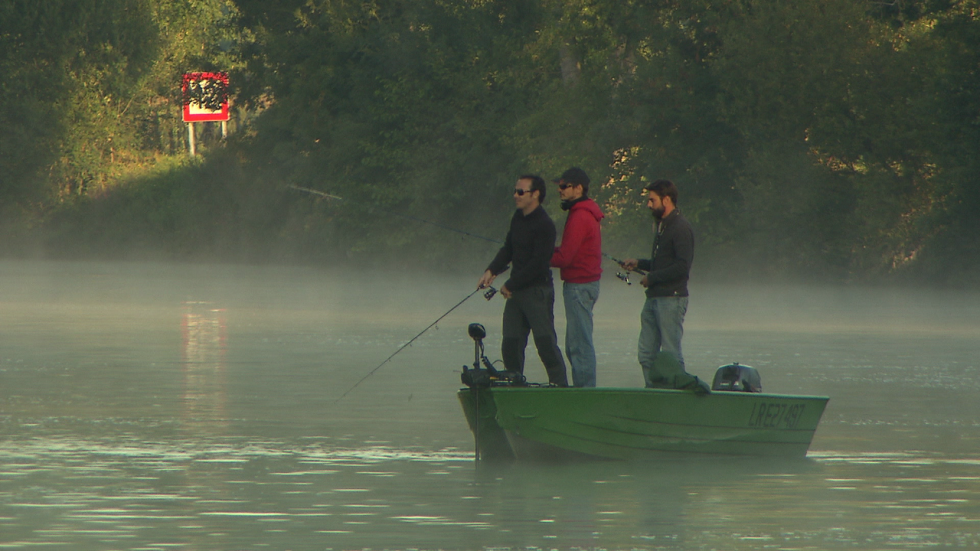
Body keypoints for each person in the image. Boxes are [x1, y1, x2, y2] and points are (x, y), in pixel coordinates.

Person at [477, 175, 569, 387]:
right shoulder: (518, 217)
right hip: (516, 292)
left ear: (535, 194)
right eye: (515, 191)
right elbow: (508, 248)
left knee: (545, 343)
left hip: (537, 291)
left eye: (520, 192)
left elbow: (538, 263)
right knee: (510, 343)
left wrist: (511, 284)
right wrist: (491, 270)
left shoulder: (545, 225)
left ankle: (560, 386)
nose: (515, 196)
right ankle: (514, 384)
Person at [621, 180, 707, 392]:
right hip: (653, 298)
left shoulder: (680, 228)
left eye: (652, 200)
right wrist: (639, 264)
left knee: (670, 353)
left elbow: (682, 267)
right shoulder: (663, 226)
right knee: (646, 353)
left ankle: (678, 396)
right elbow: (662, 264)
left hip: (672, 298)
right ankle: (654, 392)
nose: (649, 205)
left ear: (666, 200)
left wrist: (652, 278)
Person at [550, 167, 604, 387]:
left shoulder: (580, 216)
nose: (560, 191)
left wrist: (537, 254)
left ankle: (585, 394)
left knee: (579, 346)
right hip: (585, 285)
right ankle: (583, 389)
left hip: (579, 287)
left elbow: (565, 257)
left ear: (578, 188)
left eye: (564, 186)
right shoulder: (583, 212)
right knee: (575, 344)